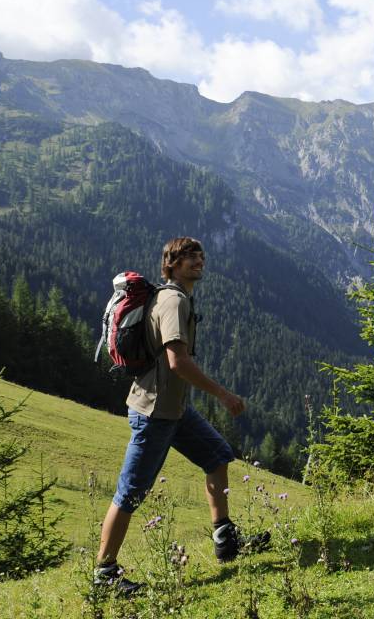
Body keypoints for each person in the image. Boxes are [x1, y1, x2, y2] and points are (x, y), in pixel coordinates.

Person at [93, 237, 267, 594]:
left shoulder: (177, 297)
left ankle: (225, 539)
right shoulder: (172, 301)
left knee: (218, 455)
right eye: (188, 257)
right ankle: (104, 575)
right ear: (170, 265)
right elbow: (178, 361)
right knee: (130, 493)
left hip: (174, 411)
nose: (198, 260)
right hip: (155, 414)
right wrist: (223, 394)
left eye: (200, 255)